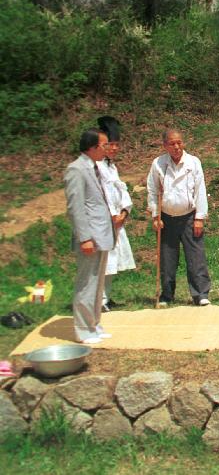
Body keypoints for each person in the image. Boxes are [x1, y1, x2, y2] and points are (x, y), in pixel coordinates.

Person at [146, 129, 212, 306]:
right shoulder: (158, 164)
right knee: (167, 258)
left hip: (189, 216)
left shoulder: (193, 162)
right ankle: (167, 295)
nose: (176, 147)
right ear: (165, 145)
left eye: (179, 142)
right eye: (172, 144)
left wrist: (199, 217)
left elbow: (200, 191)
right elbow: (153, 191)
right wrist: (155, 215)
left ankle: (200, 294)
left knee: (195, 256)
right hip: (166, 217)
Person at [64, 128, 115, 344]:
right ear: (93, 147)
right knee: (87, 283)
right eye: (103, 145)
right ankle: (83, 329)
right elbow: (76, 207)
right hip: (90, 236)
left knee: (98, 283)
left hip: (102, 233)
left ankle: (93, 324)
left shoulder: (96, 167)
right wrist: (84, 237)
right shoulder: (76, 169)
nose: (107, 149)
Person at [96, 116, 136, 311]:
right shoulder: (96, 167)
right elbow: (100, 194)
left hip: (116, 220)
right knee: (102, 261)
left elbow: (121, 191)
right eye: (110, 145)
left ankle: (106, 297)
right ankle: (99, 299)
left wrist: (123, 211)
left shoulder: (112, 167)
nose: (114, 148)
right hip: (104, 222)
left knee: (112, 261)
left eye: (116, 145)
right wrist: (111, 214)